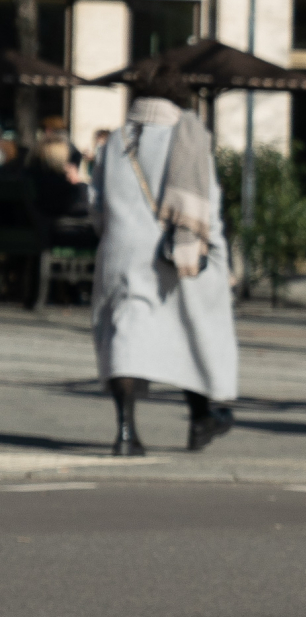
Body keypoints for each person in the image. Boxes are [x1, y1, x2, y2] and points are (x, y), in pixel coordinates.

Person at [91, 61, 237, 454]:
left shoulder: (115, 141)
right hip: (179, 249)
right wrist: (221, 258)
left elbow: (96, 205)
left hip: (122, 250)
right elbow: (209, 207)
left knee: (126, 336)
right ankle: (203, 417)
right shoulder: (190, 136)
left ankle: (126, 433)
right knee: (194, 329)